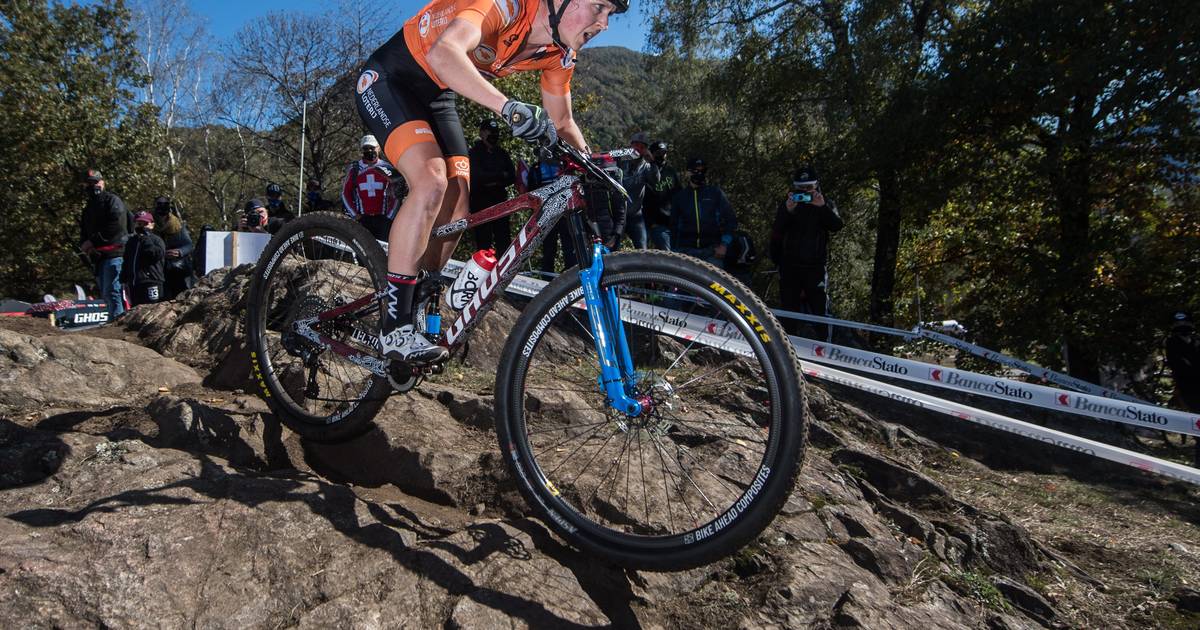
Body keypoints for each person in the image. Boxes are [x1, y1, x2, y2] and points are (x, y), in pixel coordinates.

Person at [355, 0, 627, 363]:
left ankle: (416, 294)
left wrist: (593, 163)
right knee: (432, 180)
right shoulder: (506, 5)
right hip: (391, 79)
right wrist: (508, 107)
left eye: (610, 14)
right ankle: (394, 328)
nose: (604, 23)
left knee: (456, 209)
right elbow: (445, 52)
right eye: (599, 7)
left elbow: (561, 122)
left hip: (438, 94)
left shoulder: (559, 54)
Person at [768, 165, 844, 338]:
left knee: (820, 312)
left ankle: (824, 350)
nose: (805, 192)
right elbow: (776, 231)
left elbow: (837, 226)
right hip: (790, 267)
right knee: (789, 313)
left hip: (815, 268)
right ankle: (787, 353)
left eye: (809, 187)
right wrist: (788, 211)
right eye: (800, 188)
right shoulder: (788, 204)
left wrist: (822, 207)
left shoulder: (826, 203)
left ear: (816, 185)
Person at [78, 169, 132, 319]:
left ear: (102, 182)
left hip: (115, 253)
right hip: (97, 256)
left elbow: (117, 225)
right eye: (89, 183)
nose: (93, 186)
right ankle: (112, 319)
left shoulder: (112, 201)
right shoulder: (88, 208)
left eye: (95, 182)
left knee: (113, 289)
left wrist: (93, 241)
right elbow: (84, 230)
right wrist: (84, 244)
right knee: (105, 292)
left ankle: (118, 320)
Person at [670, 157, 737, 267]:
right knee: (683, 283)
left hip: (712, 252)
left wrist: (724, 245)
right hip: (685, 252)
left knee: (714, 284)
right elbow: (673, 227)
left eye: (703, 171)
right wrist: (674, 251)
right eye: (696, 171)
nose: (699, 173)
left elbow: (731, 220)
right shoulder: (679, 197)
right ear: (688, 173)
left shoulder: (715, 193)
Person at [342, 135, 404, 242]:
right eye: (366, 149)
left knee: (384, 253)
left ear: (378, 148)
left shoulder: (387, 168)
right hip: (362, 219)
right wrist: (355, 215)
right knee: (363, 253)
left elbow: (396, 194)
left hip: (383, 219)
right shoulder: (355, 169)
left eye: (372, 148)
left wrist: (390, 216)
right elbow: (345, 193)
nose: (369, 151)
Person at [468, 118, 517, 252]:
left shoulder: (502, 154)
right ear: (482, 133)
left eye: (495, 133)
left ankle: (504, 269)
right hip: (481, 202)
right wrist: (500, 176)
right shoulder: (474, 153)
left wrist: (493, 177)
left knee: (504, 239)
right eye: (490, 132)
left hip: (500, 201)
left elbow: (512, 176)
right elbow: (477, 177)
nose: (493, 136)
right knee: (483, 240)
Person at [1165, 311, 1200, 467]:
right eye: (1178, 325)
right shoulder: (1172, 343)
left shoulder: (1196, 341)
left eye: (1185, 324)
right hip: (1188, 389)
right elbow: (1180, 366)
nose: (1183, 327)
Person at [151, 196, 196, 299]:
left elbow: (189, 245)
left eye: (165, 204)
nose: (162, 206)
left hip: (176, 267)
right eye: (159, 203)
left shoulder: (177, 224)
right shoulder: (149, 223)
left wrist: (179, 252)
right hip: (157, 267)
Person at [619, 131, 657, 249]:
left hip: (635, 215)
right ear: (631, 146)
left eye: (642, 147)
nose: (638, 149)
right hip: (618, 214)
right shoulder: (620, 162)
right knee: (612, 248)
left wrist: (652, 161)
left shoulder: (646, 167)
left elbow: (656, 180)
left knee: (642, 249)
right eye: (636, 145)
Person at [121, 212, 166, 307]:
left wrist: (145, 239)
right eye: (139, 224)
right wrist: (124, 277)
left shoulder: (156, 240)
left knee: (152, 309)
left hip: (151, 281)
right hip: (134, 284)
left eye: (145, 224)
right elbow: (126, 260)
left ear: (152, 225)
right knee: (135, 310)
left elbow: (156, 255)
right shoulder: (131, 242)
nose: (142, 227)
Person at [643, 140, 679, 250]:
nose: (662, 156)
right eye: (658, 153)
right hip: (655, 225)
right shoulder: (646, 172)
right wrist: (651, 223)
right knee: (668, 256)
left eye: (664, 153)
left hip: (672, 224)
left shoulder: (671, 171)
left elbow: (678, 195)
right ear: (652, 154)